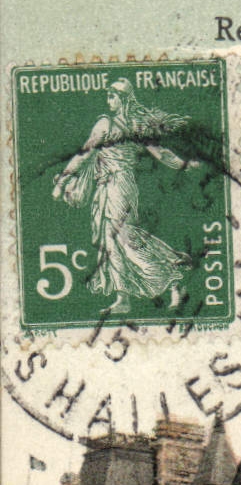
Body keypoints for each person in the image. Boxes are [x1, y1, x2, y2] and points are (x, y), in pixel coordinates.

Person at [51, 78, 193, 314]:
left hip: (118, 187)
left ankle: (174, 282)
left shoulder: (112, 125)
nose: (109, 100)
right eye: (108, 95)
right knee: (111, 242)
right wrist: (184, 164)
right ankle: (123, 298)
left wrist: (64, 179)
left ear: (125, 99)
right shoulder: (127, 125)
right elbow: (162, 155)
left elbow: (84, 155)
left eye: (113, 95)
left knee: (125, 241)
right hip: (110, 187)